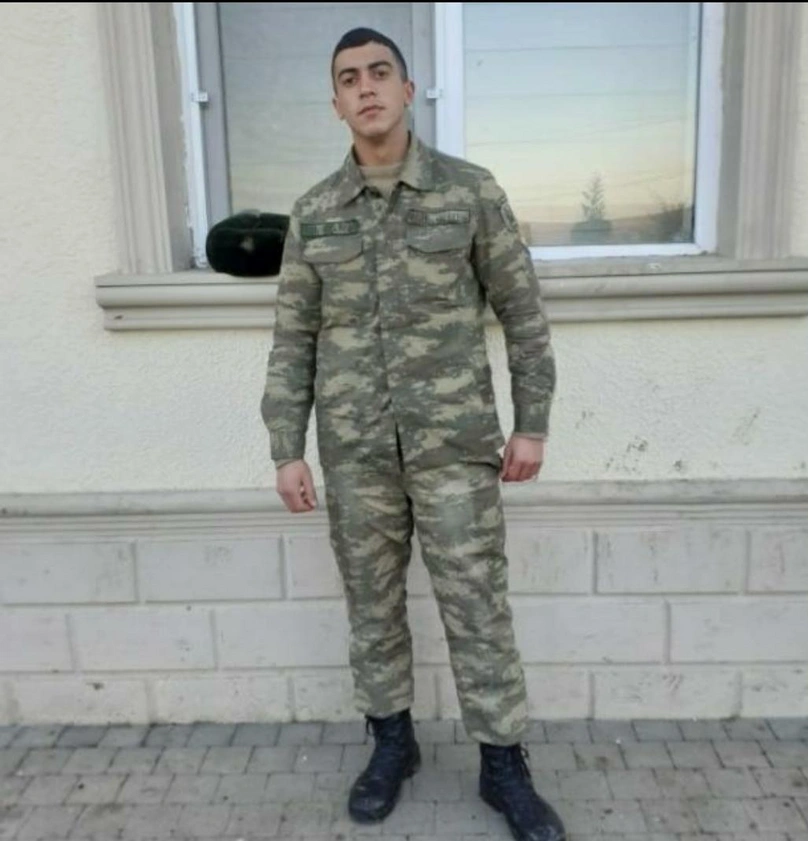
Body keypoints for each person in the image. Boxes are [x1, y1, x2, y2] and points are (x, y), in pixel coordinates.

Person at [260, 26, 564, 841]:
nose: (365, 87)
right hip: (356, 454)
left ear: (407, 89)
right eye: (348, 78)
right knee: (373, 608)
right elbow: (292, 340)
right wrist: (286, 446)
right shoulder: (315, 214)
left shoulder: (469, 193)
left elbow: (523, 314)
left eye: (379, 72)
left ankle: (503, 764)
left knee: (478, 607)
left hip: (454, 450)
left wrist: (532, 423)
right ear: (335, 103)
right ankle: (392, 743)